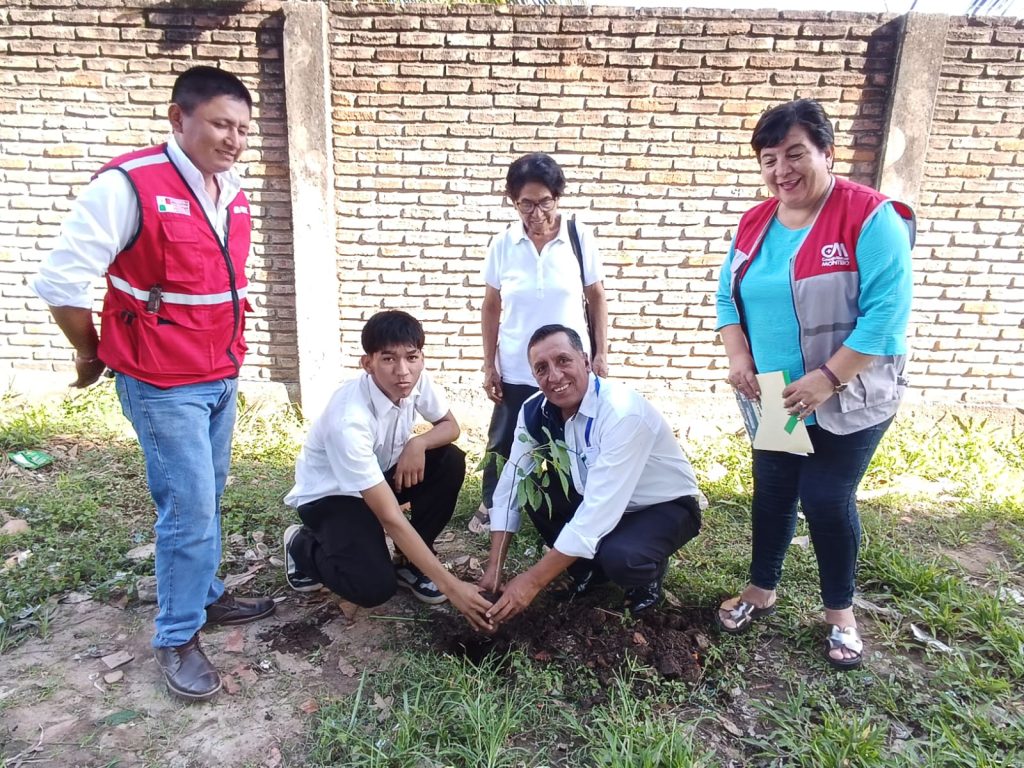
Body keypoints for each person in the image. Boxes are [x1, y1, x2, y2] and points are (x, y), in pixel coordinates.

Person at [30, 66, 275, 701]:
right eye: (220, 124)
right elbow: (60, 282)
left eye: (242, 129)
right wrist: (89, 352)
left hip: (218, 373)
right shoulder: (129, 185)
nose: (233, 140)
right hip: (162, 382)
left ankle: (204, 594)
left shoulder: (230, 190)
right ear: (178, 117)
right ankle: (176, 634)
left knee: (208, 495)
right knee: (188, 509)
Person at [714, 99, 915, 670]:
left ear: (827, 153)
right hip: (778, 393)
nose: (782, 170)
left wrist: (828, 378)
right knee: (774, 489)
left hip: (850, 394)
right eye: (769, 159)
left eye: (795, 154)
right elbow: (727, 295)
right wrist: (738, 355)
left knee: (825, 497)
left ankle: (840, 614)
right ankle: (761, 590)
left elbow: (886, 316)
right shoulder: (755, 222)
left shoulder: (870, 217)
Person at [282, 310, 493, 632]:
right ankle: (300, 544)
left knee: (448, 460)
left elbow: (450, 426)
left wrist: (418, 443)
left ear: (421, 357)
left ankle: (410, 563)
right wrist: (452, 587)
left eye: (412, 357)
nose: (403, 371)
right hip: (333, 496)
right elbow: (390, 517)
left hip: (377, 477)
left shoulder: (416, 382)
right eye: (388, 359)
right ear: (368, 364)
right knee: (373, 588)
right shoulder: (349, 420)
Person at [479, 324, 702, 624]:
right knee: (534, 489)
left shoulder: (621, 413)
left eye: (563, 360)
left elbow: (596, 514)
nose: (554, 376)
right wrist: (494, 569)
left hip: (662, 506)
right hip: (595, 493)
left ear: (585, 361)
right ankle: (586, 572)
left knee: (620, 557)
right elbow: (512, 483)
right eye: (541, 368)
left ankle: (647, 575)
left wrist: (532, 581)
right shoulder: (534, 411)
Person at [474, 153, 610, 535]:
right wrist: (489, 364)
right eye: (526, 204)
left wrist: (601, 353)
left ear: (557, 197)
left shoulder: (578, 238)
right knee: (504, 438)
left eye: (544, 202)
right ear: (512, 201)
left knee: (575, 434)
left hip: (568, 364)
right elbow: (491, 305)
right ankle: (493, 504)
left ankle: (575, 502)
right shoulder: (503, 244)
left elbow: (596, 296)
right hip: (517, 364)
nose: (536, 213)